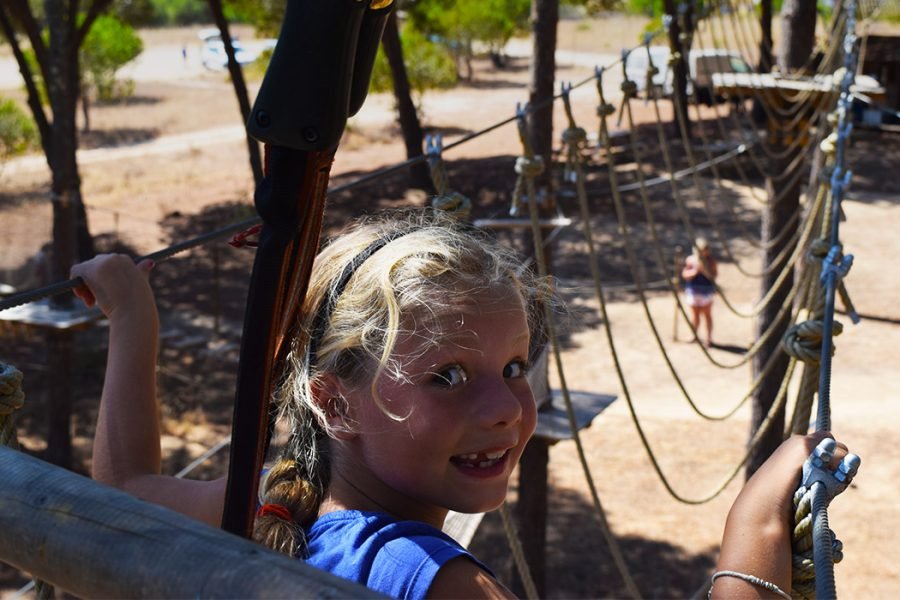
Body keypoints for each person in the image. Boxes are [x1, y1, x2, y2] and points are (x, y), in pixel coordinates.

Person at [72, 209, 848, 599]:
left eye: (515, 364)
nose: (506, 408)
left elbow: (124, 494)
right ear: (332, 403)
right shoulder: (434, 579)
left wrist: (134, 318)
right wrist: (757, 527)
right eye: (446, 375)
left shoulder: (277, 509)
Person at [682, 237, 718, 348]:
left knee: (707, 315)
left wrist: (704, 270)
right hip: (693, 291)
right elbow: (685, 275)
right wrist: (695, 271)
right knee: (695, 315)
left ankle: (709, 338)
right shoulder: (690, 260)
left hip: (706, 292)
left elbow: (713, 276)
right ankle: (694, 335)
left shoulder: (711, 262)